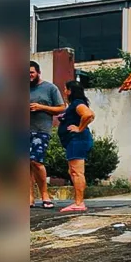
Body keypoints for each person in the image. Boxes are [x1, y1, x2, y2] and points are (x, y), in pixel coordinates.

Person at [29, 61, 65, 209]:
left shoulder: (50, 88)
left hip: (41, 130)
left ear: (38, 72)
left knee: (36, 162)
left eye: (31, 72)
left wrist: (40, 107)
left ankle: (45, 194)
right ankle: (29, 197)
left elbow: (61, 108)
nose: (28, 76)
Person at [56, 80, 95, 213]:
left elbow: (88, 114)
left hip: (77, 140)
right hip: (74, 141)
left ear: (70, 91)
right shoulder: (74, 104)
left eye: (65, 89)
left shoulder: (78, 103)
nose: (64, 91)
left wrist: (79, 128)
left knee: (77, 172)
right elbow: (92, 115)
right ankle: (78, 201)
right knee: (72, 171)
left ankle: (79, 203)